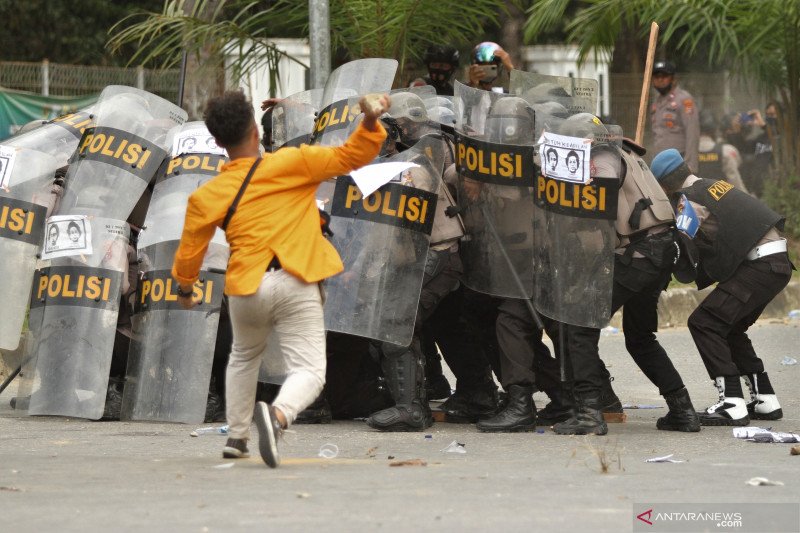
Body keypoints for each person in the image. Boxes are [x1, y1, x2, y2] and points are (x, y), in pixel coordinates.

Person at [171, 90, 388, 467]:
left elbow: (190, 251)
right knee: (308, 370)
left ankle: (237, 436)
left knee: (243, 356)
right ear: (256, 132)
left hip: (246, 288)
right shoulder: (293, 163)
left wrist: (186, 288)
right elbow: (352, 156)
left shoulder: (209, 194)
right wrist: (369, 122)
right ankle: (278, 416)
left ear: (219, 143)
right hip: (295, 278)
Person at [552, 115, 701, 436]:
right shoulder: (627, 156)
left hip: (638, 255)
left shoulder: (602, 161)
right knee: (640, 336)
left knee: (579, 324)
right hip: (661, 251)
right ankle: (683, 410)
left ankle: (591, 413)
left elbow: (598, 221)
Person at [651, 148, 791, 425]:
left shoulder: (688, 200)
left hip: (759, 265)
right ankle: (764, 399)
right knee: (730, 326)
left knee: (704, 323)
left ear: (664, 185)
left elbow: (681, 243)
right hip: (777, 263)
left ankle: (732, 403)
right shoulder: (713, 185)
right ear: (686, 168)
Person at [650, 60, 700, 173]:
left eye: (664, 76)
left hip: (678, 162)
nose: (660, 79)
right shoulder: (656, 102)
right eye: (656, 76)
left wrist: (690, 164)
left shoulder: (684, 99)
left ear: (673, 78)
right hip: (660, 162)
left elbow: (692, 132)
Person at [697, 110, 748, 193]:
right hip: (720, 200)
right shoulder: (727, 151)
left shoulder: (686, 154)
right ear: (715, 129)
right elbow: (736, 183)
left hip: (694, 201)